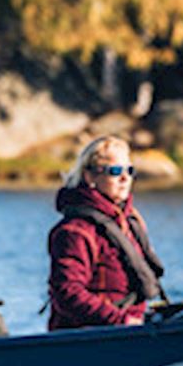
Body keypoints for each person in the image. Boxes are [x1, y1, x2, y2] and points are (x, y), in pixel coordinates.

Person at [47, 136, 166, 330]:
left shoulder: (130, 223)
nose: (125, 178)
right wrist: (121, 321)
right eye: (115, 171)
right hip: (89, 339)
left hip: (133, 332)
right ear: (90, 177)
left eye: (129, 170)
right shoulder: (74, 231)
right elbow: (67, 293)